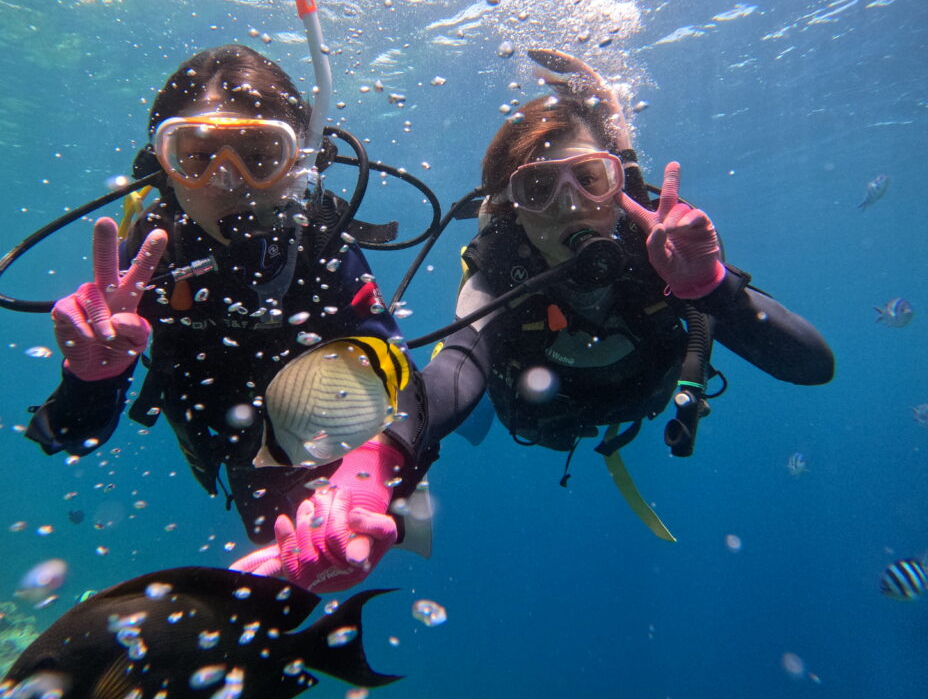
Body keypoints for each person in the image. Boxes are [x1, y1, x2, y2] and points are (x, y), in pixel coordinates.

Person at [243, 48, 835, 580]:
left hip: (641, 396)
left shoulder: (667, 250)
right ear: (511, 209)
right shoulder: (500, 271)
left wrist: (713, 289)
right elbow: (454, 369)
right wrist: (381, 454)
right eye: (538, 190)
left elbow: (814, 366)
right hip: (529, 411)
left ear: (618, 183)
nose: (571, 203)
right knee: (458, 415)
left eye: (591, 177)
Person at [26, 44, 434, 590]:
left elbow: (392, 368)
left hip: (321, 435)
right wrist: (90, 381)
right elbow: (73, 439)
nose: (227, 179)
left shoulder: (319, 244)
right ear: (162, 168)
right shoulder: (150, 257)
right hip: (223, 443)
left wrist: (369, 469)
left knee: (357, 542)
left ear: (301, 164)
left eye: (260, 154)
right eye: (196, 155)